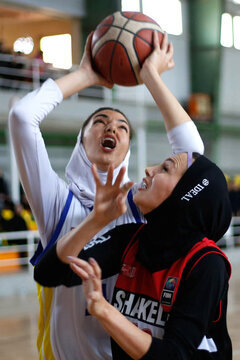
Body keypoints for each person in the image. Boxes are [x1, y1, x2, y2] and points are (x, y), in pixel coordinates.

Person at [9, 31, 204, 360]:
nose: (111, 128)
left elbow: (193, 157)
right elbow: (21, 117)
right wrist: (86, 75)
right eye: (100, 122)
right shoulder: (57, 202)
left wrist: (151, 77)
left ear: (127, 148)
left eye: (122, 127)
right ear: (81, 140)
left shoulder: (141, 203)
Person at [34, 151, 232, 360]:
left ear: (187, 194)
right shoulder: (131, 239)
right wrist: (96, 220)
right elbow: (47, 273)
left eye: (165, 168)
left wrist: (104, 310)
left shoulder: (207, 263)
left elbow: (175, 354)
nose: (149, 169)